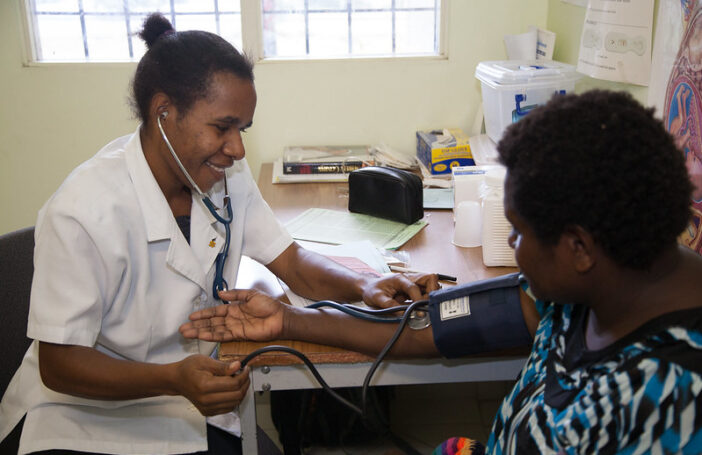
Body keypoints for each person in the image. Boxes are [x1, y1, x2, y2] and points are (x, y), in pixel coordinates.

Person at [0, 13, 438, 455]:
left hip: (191, 401)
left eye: (242, 130)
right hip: (81, 418)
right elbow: (59, 366)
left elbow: (290, 261)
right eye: (222, 127)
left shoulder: (226, 174)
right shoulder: (82, 209)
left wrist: (364, 283)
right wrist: (171, 378)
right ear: (164, 111)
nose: (238, 148)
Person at [181, 90, 702, 454]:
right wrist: (290, 322)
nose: (512, 248)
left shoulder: (677, 399)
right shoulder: (585, 291)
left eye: (518, 233)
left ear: (580, 247)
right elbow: (437, 325)